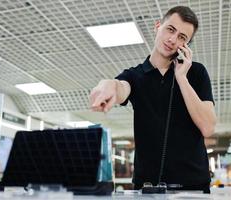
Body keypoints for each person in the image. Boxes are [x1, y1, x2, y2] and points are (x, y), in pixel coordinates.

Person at [89, 6, 216, 193]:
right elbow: (121, 87)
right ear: (158, 26)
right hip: (147, 188)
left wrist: (181, 78)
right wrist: (109, 84)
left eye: (182, 37)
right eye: (170, 29)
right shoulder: (135, 75)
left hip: (193, 186)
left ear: (186, 45)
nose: (173, 40)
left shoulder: (196, 72)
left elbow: (208, 127)